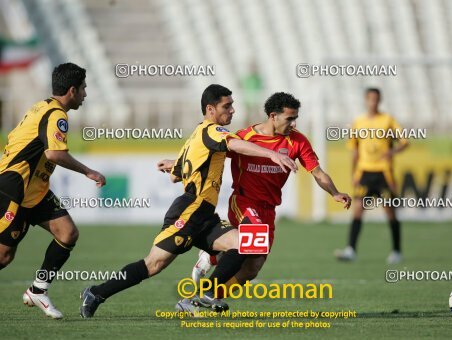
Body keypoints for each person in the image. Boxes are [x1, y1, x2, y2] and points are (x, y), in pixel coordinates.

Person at [79, 84, 297, 318]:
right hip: (189, 211)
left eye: (232, 105)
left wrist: (174, 164)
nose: (232, 110)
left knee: (245, 242)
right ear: (210, 109)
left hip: (203, 214)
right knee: (154, 264)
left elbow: (177, 174)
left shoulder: (198, 133)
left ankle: (200, 297)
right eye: (227, 105)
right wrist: (271, 153)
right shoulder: (214, 131)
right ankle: (96, 292)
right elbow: (235, 144)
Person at [173, 92, 351, 310]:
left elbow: (318, 172)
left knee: (252, 268)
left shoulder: (297, 141)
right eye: (289, 118)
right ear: (273, 116)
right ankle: (210, 283)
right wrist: (176, 163)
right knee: (252, 241)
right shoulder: (245, 137)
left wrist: (334, 193)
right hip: (244, 202)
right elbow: (208, 152)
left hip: (269, 209)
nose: (293, 123)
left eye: (295, 118)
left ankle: (198, 298)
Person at [0, 63, 106, 319]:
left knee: (67, 233)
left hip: (35, 190)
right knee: (3, 257)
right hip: (15, 187)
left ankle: (38, 290)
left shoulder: (42, 105)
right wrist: (88, 172)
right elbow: (54, 153)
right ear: (72, 90)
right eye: (83, 88)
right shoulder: (57, 114)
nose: (85, 94)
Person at [334, 88, 408, 264]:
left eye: (376, 99)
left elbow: (405, 142)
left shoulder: (388, 120)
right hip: (364, 173)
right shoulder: (358, 122)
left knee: (390, 212)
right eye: (370, 99)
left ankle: (397, 251)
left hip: (384, 173)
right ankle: (351, 249)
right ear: (366, 100)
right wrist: (353, 174)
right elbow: (354, 150)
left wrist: (391, 151)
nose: (373, 102)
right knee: (358, 210)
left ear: (379, 100)